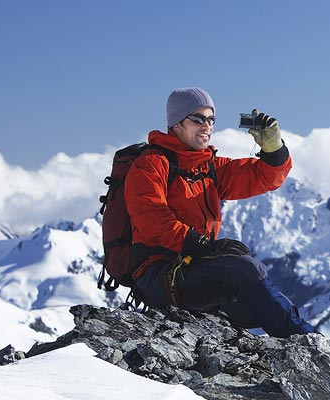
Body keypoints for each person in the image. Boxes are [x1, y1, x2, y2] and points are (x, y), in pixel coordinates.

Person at [124, 87, 315, 337]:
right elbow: (152, 219)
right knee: (245, 271)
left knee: (273, 305)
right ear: (176, 124)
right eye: (197, 119)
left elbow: (262, 177)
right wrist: (202, 245)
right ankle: (308, 345)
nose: (206, 126)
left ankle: (302, 350)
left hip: (194, 268)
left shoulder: (208, 168)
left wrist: (274, 149)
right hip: (160, 274)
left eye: (211, 119)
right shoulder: (151, 165)